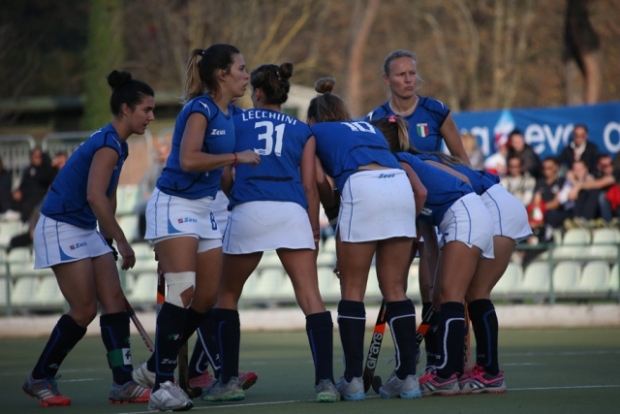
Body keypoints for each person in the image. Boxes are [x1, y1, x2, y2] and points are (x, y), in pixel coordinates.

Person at [200, 63, 339, 403]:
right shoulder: (301, 130)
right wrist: (312, 229)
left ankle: (228, 381)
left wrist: (239, 198)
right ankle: (326, 384)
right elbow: (309, 185)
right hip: (291, 211)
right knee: (311, 298)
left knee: (227, 296)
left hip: (250, 209)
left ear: (258, 93)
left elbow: (226, 176)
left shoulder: (234, 122)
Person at [131, 44, 259, 412]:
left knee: (205, 300)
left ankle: (155, 367)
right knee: (181, 292)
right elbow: (188, 160)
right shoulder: (199, 108)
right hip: (174, 205)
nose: (246, 74)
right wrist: (235, 158)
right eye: (242, 68)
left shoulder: (231, 112)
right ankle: (163, 386)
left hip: (205, 209)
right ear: (222, 74)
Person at [23, 70, 155, 407]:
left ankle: (123, 383)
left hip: (85, 227)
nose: (151, 117)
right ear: (126, 109)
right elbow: (96, 197)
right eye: (146, 110)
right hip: (60, 224)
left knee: (113, 301)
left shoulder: (119, 146)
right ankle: (40, 376)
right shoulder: (108, 144)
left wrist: (106, 237)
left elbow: (107, 198)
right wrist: (122, 241)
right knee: (83, 310)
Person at [310, 78, 423, 400]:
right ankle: (408, 378)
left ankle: (352, 381)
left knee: (353, 290)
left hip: (361, 188)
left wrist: (332, 213)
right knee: (396, 290)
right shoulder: (367, 127)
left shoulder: (313, 131)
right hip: (398, 186)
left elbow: (318, 178)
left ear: (312, 119)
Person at [371, 115, 496, 396]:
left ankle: (447, 375)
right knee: (442, 297)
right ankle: (445, 369)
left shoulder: (398, 162)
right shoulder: (405, 159)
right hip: (466, 214)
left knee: (451, 299)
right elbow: (460, 178)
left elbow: (421, 192)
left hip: (464, 216)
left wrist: (406, 224)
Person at [365, 49, 470, 364]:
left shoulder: (436, 111)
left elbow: (461, 160)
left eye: (412, 73)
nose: (408, 79)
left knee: (434, 284)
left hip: (433, 207)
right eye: (400, 74)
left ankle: (439, 357)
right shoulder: (375, 118)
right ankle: (406, 360)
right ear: (387, 79)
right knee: (395, 285)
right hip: (395, 209)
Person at [134, 142, 171, 240]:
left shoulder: (174, 166)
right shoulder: (155, 167)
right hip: (156, 197)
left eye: (162, 153)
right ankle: (143, 236)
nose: (160, 155)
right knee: (142, 206)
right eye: (159, 153)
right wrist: (146, 193)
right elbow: (143, 182)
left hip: (170, 198)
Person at [12, 147, 57, 222]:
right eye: (34, 157)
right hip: (26, 200)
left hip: (39, 200)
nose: (36, 159)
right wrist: (18, 191)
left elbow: (45, 179)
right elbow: (22, 184)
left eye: (39, 157)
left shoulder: (48, 170)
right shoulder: (28, 170)